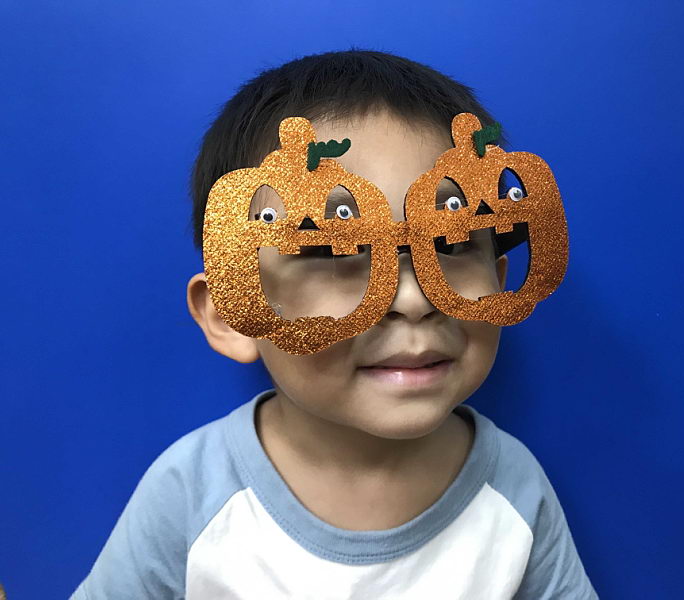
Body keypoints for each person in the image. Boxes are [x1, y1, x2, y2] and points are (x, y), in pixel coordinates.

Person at [70, 49, 598, 599]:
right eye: (332, 248)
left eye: (454, 241)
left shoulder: (513, 488)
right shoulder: (190, 493)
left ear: (500, 277)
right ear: (232, 313)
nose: (413, 299)